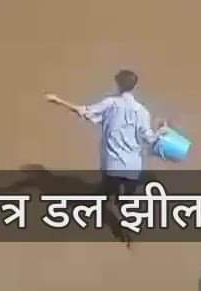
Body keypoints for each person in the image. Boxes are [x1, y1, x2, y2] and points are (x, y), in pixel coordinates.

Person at [43, 69, 165, 244]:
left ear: (117, 84)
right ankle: (128, 222)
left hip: (112, 164)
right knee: (126, 200)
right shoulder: (143, 111)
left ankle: (103, 214)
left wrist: (58, 100)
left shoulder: (110, 104)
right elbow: (150, 139)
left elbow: (83, 111)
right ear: (135, 87)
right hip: (133, 167)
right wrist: (162, 129)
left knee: (105, 193)